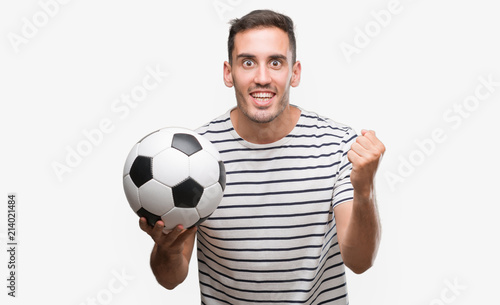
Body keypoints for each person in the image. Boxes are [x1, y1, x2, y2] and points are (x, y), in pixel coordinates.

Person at [139, 9, 385, 304]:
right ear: (228, 73)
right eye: (247, 62)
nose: (262, 78)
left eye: (276, 62)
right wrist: (164, 248)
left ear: (294, 73)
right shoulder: (195, 156)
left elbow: (360, 262)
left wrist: (363, 190)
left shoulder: (338, 145)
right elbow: (170, 279)